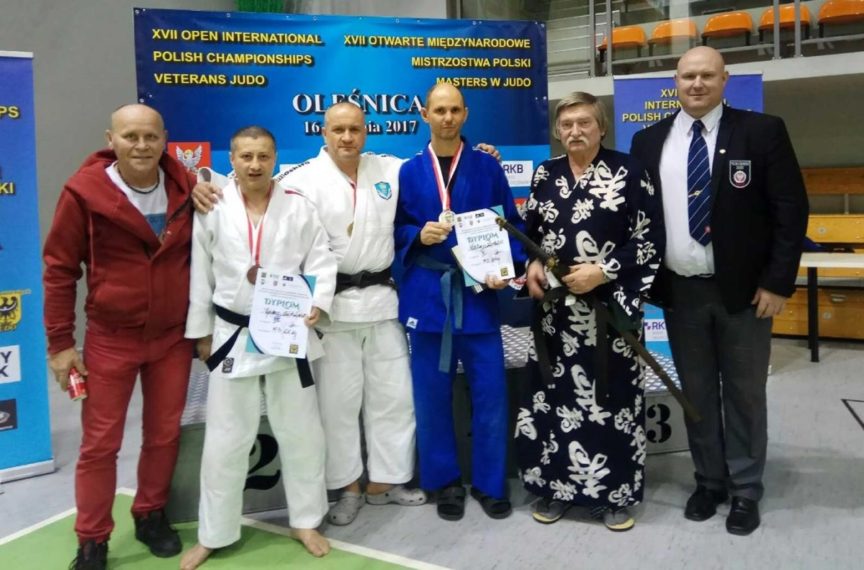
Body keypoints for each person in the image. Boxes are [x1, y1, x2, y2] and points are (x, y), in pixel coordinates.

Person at [630, 46, 808, 535]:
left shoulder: (761, 131)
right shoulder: (648, 141)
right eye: (688, 76)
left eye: (707, 75)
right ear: (675, 81)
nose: (697, 84)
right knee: (697, 393)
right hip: (680, 293)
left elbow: (791, 211)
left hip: (747, 295)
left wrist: (777, 282)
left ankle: (746, 488)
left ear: (725, 80)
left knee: (746, 394)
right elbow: (637, 216)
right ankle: (709, 481)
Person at [43, 104, 195, 570]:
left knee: (164, 434)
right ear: (111, 139)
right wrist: (60, 344)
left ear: (164, 139)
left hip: (172, 338)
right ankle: (92, 538)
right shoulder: (83, 193)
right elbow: (59, 270)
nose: (142, 145)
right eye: (131, 136)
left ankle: (150, 513)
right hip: (111, 339)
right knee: (99, 445)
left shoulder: (187, 188)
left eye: (151, 136)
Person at [180, 126, 336, 569]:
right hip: (232, 334)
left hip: (287, 331)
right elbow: (200, 273)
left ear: (275, 158)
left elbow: (322, 260)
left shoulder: (299, 207)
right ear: (231, 159)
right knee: (226, 439)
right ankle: (214, 532)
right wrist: (201, 333)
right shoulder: (213, 207)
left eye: (263, 156)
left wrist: (318, 303)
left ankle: (306, 520)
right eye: (246, 156)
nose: (254, 164)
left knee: (302, 433)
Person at [513, 92, 663, 531]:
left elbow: (651, 238)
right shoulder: (545, 173)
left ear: (601, 127)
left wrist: (604, 271)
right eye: (567, 125)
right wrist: (533, 262)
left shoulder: (630, 171)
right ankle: (555, 489)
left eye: (584, 123)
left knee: (611, 399)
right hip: (555, 318)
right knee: (553, 399)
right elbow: (530, 231)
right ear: (557, 131)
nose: (575, 131)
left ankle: (614, 496)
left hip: (609, 313)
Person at [394, 83, 526, 522]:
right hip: (429, 297)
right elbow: (393, 229)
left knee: (490, 396)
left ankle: (490, 484)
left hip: (479, 296)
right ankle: (444, 481)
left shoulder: (487, 167)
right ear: (425, 115)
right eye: (439, 110)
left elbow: (511, 224)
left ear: (465, 114)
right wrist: (417, 235)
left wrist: (507, 268)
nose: (447, 118)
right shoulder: (408, 171)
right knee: (431, 398)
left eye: (454, 110)